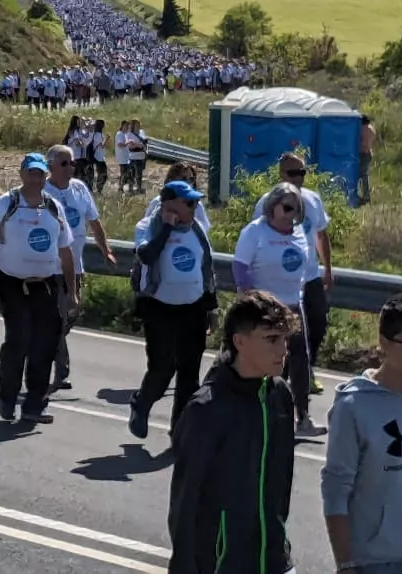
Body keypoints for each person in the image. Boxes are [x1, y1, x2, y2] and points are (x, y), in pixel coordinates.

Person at [167, 290, 299, 574]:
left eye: (285, 338)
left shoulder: (280, 395)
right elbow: (185, 503)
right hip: (223, 564)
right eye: (272, 339)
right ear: (239, 341)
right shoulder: (206, 409)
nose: (283, 350)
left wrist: (279, 543)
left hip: (274, 559)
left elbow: (282, 483)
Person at [322, 294, 402, 574]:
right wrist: (345, 564)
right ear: (385, 343)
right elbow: (335, 491)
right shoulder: (353, 406)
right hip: (375, 563)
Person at [0, 153, 78, 424]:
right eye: (31, 173)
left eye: (40, 174)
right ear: (22, 175)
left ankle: (35, 405)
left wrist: (72, 293)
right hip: (11, 282)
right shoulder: (6, 204)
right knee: (19, 341)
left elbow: (66, 251)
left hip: (46, 284)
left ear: (46, 176)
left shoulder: (53, 207)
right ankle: (8, 398)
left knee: (45, 345)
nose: (36, 179)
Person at [128, 179, 216, 440]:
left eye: (196, 201)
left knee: (189, 372)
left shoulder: (197, 230)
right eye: (189, 202)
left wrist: (212, 308)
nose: (195, 206)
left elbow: (206, 270)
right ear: (169, 205)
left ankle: (180, 431)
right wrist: (166, 228)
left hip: (193, 308)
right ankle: (141, 404)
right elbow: (146, 256)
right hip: (159, 308)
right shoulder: (148, 226)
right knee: (163, 368)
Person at [234, 181, 320, 436]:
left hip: (294, 303)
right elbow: (240, 267)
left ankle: (302, 417)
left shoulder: (297, 233)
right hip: (266, 308)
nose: (292, 213)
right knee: (270, 364)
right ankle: (259, 413)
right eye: (287, 207)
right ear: (272, 208)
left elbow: (303, 265)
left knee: (300, 361)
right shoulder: (255, 232)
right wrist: (252, 298)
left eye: (296, 208)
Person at [255, 153, 333, 395]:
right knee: (287, 330)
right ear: (281, 174)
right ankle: (282, 375)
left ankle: (305, 370)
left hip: (308, 275)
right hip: (279, 280)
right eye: (293, 173)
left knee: (318, 322)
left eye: (302, 173)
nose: (299, 178)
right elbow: (255, 236)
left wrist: (327, 267)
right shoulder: (267, 203)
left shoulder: (312, 199)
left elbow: (321, 234)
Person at [45, 143, 115, 392]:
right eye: (64, 163)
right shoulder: (42, 191)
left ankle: (43, 347)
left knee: (68, 319)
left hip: (76, 268)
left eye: (72, 162)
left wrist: (105, 249)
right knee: (57, 319)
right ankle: (60, 372)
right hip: (50, 270)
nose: (70, 167)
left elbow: (94, 222)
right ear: (51, 166)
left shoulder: (80, 189)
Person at [357, 114, 377, 206]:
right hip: (368, 153)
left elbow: (362, 142)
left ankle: (365, 196)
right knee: (363, 175)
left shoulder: (363, 129)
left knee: (362, 175)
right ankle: (364, 196)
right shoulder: (371, 129)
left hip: (363, 154)